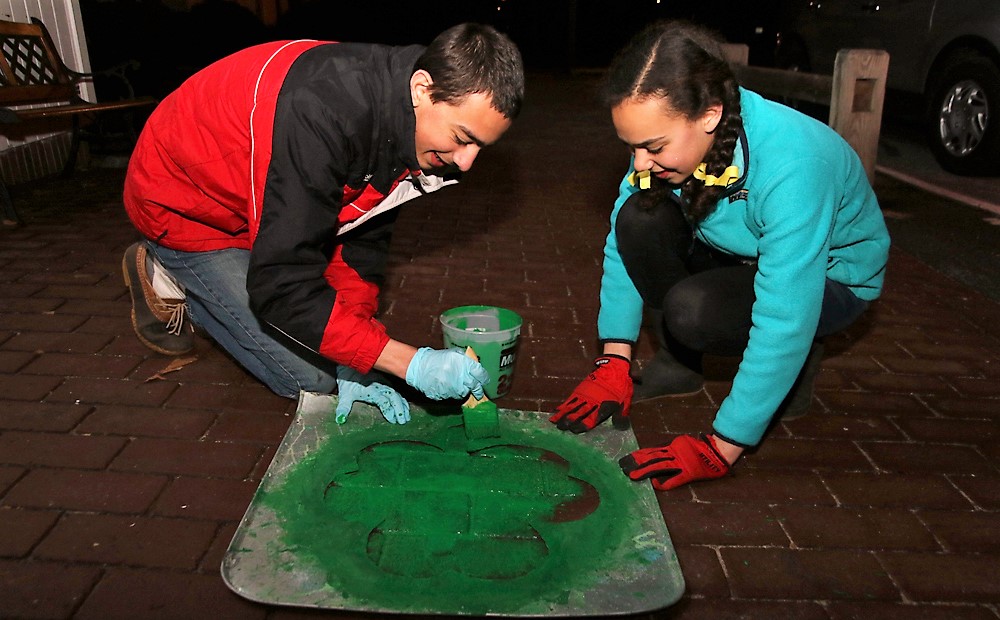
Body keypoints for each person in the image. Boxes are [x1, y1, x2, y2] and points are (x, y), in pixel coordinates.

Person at [121, 23, 525, 426]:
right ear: (422, 89)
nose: (466, 162)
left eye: (480, 148)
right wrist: (406, 362)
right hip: (187, 207)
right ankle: (175, 275)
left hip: (263, 203)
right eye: (462, 137)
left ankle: (234, 272)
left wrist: (356, 355)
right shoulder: (323, 112)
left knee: (335, 352)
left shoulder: (407, 122)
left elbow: (360, 242)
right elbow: (281, 285)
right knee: (309, 378)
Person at [549, 20, 890, 491]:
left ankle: (799, 363)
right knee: (637, 218)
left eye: (653, 147)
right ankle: (682, 363)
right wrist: (613, 360)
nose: (640, 162)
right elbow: (620, 244)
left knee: (696, 310)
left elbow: (784, 313)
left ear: (710, 115)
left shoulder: (795, 165)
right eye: (632, 147)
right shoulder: (669, 136)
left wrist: (723, 444)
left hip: (827, 282)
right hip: (738, 253)